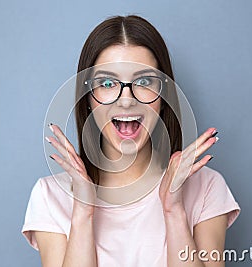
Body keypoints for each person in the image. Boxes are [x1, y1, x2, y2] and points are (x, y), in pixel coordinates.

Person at [22, 15, 240, 267]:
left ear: (164, 95)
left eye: (144, 81)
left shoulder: (207, 187)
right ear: (88, 98)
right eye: (106, 82)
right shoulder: (50, 195)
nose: (126, 100)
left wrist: (173, 210)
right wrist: (82, 212)